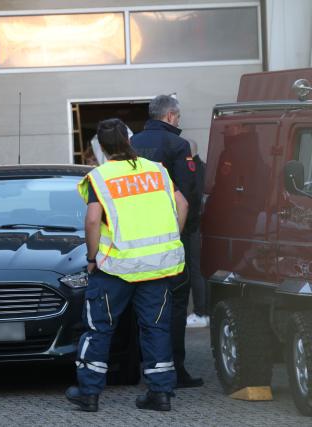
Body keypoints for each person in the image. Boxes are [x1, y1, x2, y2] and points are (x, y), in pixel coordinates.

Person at [65, 118, 188, 412]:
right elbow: (182, 204)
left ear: (102, 147)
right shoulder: (156, 170)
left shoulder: (101, 176)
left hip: (114, 269)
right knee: (156, 327)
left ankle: (89, 393)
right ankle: (160, 394)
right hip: (157, 267)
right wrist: (172, 238)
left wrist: (93, 258)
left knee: (99, 328)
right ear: (129, 140)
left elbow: (93, 219)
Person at [130, 95, 203, 388]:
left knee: (141, 305)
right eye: (179, 117)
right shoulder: (177, 146)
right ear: (171, 116)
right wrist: (188, 230)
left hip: (134, 239)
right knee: (174, 305)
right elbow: (186, 194)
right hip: (170, 238)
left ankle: (143, 367)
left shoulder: (132, 143)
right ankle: (175, 370)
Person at [185, 139, 209, 328]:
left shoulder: (191, 170)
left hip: (193, 225)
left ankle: (201, 312)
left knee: (195, 269)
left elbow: (191, 199)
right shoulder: (205, 167)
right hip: (204, 224)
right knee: (201, 268)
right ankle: (203, 310)